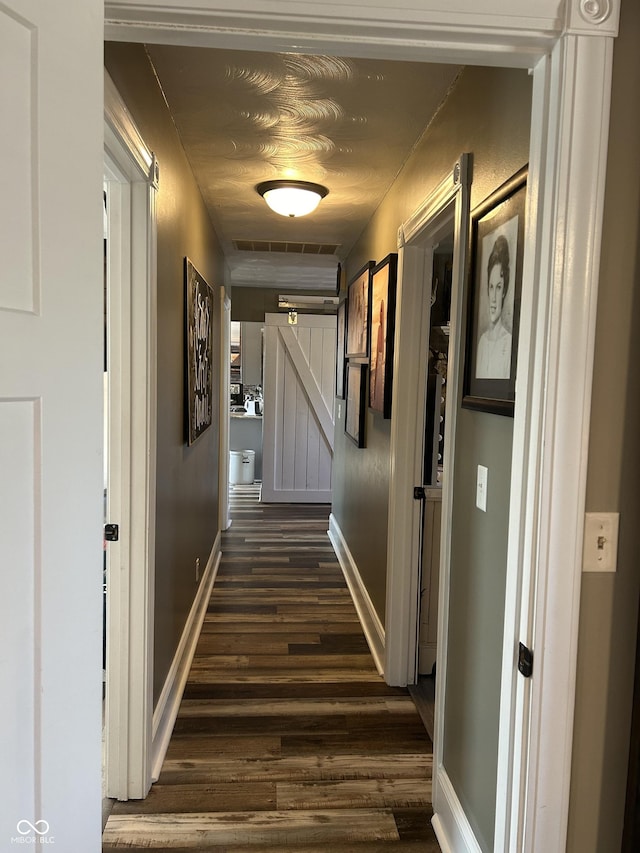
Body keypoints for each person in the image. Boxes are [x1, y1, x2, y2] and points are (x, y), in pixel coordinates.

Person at [476, 234, 512, 379]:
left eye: (498, 287)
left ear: (504, 291)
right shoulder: (482, 343)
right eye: (491, 287)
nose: (494, 299)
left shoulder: (508, 343)